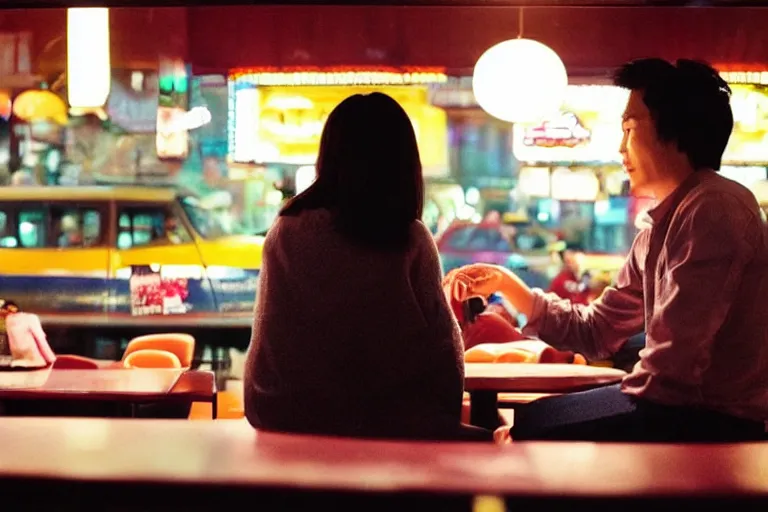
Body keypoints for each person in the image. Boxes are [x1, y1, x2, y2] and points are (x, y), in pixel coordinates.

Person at [446, 58, 768, 442]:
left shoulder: (714, 208)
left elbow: (673, 369)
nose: (620, 148)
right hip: (678, 407)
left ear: (674, 130)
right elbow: (599, 331)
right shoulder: (661, 223)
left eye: (630, 128)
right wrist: (509, 287)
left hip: (714, 420)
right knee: (528, 424)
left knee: (530, 430)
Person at [243, 93, 491, 441]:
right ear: (404, 164)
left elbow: (271, 339)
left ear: (328, 156)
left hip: (282, 416)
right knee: (493, 442)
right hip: (391, 425)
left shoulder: (287, 230)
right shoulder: (409, 238)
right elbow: (444, 356)